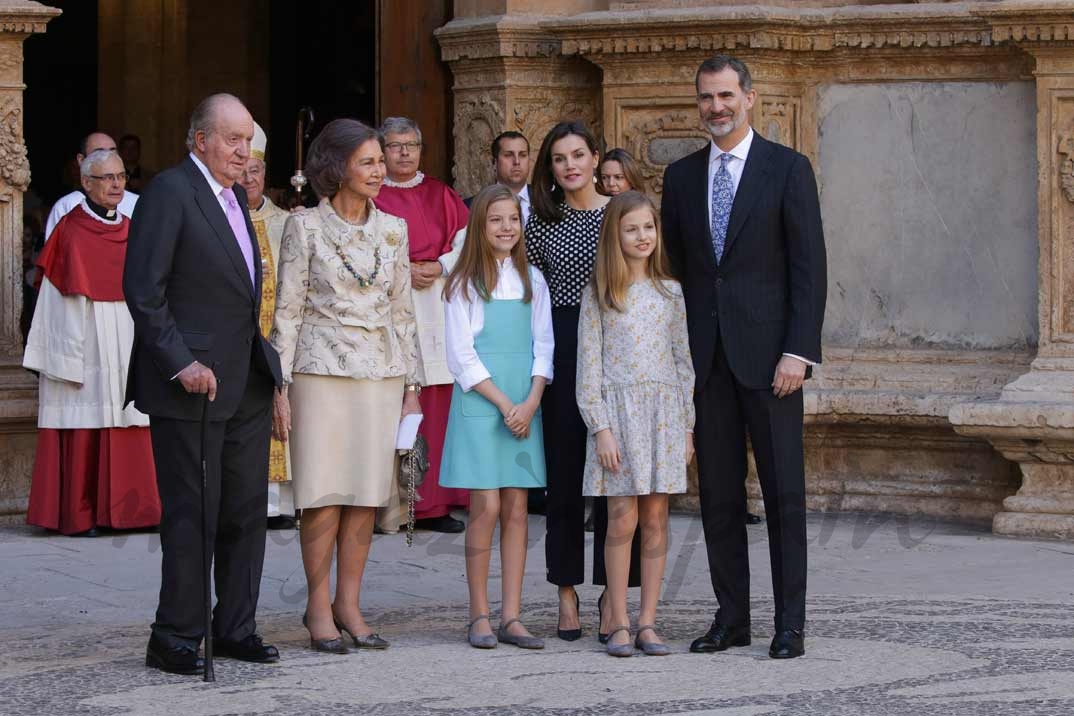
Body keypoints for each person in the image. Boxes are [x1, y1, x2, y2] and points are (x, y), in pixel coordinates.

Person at [661, 55, 827, 660]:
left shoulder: (788, 169)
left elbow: (809, 268)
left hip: (773, 363)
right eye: (706, 97)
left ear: (749, 98)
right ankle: (732, 619)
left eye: (727, 95)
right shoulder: (679, 178)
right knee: (719, 500)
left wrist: (798, 352)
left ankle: (790, 625)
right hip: (708, 363)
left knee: (784, 498)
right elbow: (678, 272)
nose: (716, 107)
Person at [124, 93, 283, 675]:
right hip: (190, 385)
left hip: (246, 382)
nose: (246, 151)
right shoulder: (170, 192)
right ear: (200, 141)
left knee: (245, 511)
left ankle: (235, 626)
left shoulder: (237, 198)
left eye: (249, 140)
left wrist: (275, 379)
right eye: (234, 139)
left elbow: (241, 297)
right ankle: (174, 634)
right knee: (193, 513)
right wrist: (180, 362)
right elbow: (144, 290)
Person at [271, 118, 419, 654]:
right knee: (323, 494)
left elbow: (403, 311)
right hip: (319, 373)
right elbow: (286, 308)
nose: (380, 170)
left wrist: (413, 386)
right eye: (369, 162)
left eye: (381, 161)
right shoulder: (304, 227)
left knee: (364, 494)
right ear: (337, 169)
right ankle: (317, 604)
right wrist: (278, 385)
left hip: (381, 374)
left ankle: (349, 603)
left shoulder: (394, 230)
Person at [525, 120, 641, 642]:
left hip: (617, 346)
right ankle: (566, 590)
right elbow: (527, 294)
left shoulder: (619, 215)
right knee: (567, 476)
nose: (569, 165)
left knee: (618, 477)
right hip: (562, 344)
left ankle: (612, 595)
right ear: (549, 168)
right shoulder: (541, 223)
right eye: (558, 158)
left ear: (596, 158)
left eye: (577, 154)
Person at [577, 190, 695, 657]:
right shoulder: (601, 295)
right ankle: (618, 619)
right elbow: (589, 369)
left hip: (663, 420)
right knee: (621, 519)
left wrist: (687, 426)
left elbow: (683, 364)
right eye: (632, 229)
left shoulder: (671, 292)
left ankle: (648, 619)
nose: (642, 236)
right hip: (619, 422)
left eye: (649, 227)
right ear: (615, 236)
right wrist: (600, 427)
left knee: (656, 519)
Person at [23, 148, 161, 537]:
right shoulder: (70, 228)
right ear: (86, 182)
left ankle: (134, 512)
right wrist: (64, 355)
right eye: (108, 178)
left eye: (122, 177)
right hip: (85, 336)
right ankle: (82, 514)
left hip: (128, 335)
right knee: (87, 415)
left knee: (131, 417)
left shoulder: (134, 227)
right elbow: (54, 299)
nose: (118, 184)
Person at [441, 184, 553, 650]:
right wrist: (506, 404)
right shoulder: (463, 282)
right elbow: (461, 354)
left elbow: (544, 346)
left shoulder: (534, 280)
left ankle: (512, 614)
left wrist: (529, 402)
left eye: (513, 219)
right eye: (495, 220)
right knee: (484, 506)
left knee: (517, 508)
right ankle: (479, 613)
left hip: (524, 404)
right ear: (479, 227)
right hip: (483, 402)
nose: (506, 228)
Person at [374, 116, 469, 533]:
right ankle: (397, 503)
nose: (404, 153)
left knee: (437, 403)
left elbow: (470, 239)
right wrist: (403, 269)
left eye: (411, 144)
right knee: (396, 401)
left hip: (438, 302)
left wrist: (440, 264)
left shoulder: (441, 194)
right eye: (395, 146)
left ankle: (437, 502)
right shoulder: (371, 194)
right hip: (390, 305)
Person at [241, 121, 295, 531]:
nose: (248, 179)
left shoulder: (286, 223)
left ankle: (279, 505)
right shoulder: (219, 219)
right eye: (241, 171)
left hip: (279, 336)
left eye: (255, 172)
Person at [45, 132, 139, 239]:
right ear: (81, 160)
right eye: (99, 155)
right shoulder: (66, 206)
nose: (108, 159)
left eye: (113, 153)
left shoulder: (137, 203)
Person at [465, 131, 532, 227]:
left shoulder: (548, 201)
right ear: (494, 162)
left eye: (522, 155)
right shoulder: (471, 206)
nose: (517, 162)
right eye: (508, 155)